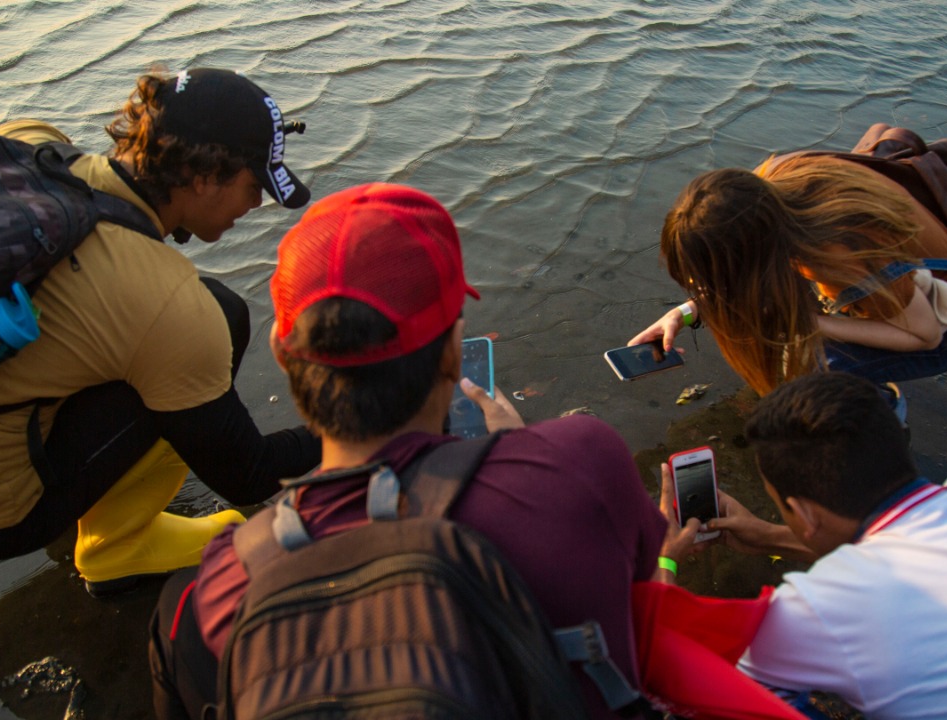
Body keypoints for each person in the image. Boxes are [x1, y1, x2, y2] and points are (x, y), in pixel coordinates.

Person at [148, 182, 668, 720]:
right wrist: (520, 451)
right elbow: (649, 605)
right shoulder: (581, 461)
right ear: (452, 351)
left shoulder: (213, 595)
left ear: (283, 354)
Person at [0, 68, 322, 597]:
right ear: (204, 176)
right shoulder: (165, 302)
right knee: (212, 325)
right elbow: (248, 473)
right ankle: (117, 550)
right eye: (253, 186)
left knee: (185, 323)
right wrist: (377, 420)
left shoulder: (32, 148)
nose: (255, 206)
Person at [657, 372, 947, 718]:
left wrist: (664, 563)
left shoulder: (817, 607)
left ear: (807, 514)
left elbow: (703, 686)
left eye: (784, 511)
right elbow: (909, 548)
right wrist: (770, 536)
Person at [629, 155, 947, 418]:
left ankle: (884, 416)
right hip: (904, 290)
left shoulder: (839, 252)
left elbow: (926, 335)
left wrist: (808, 323)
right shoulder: (766, 187)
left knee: (808, 368)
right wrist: (683, 313)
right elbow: (739, 270)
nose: (698, 284)